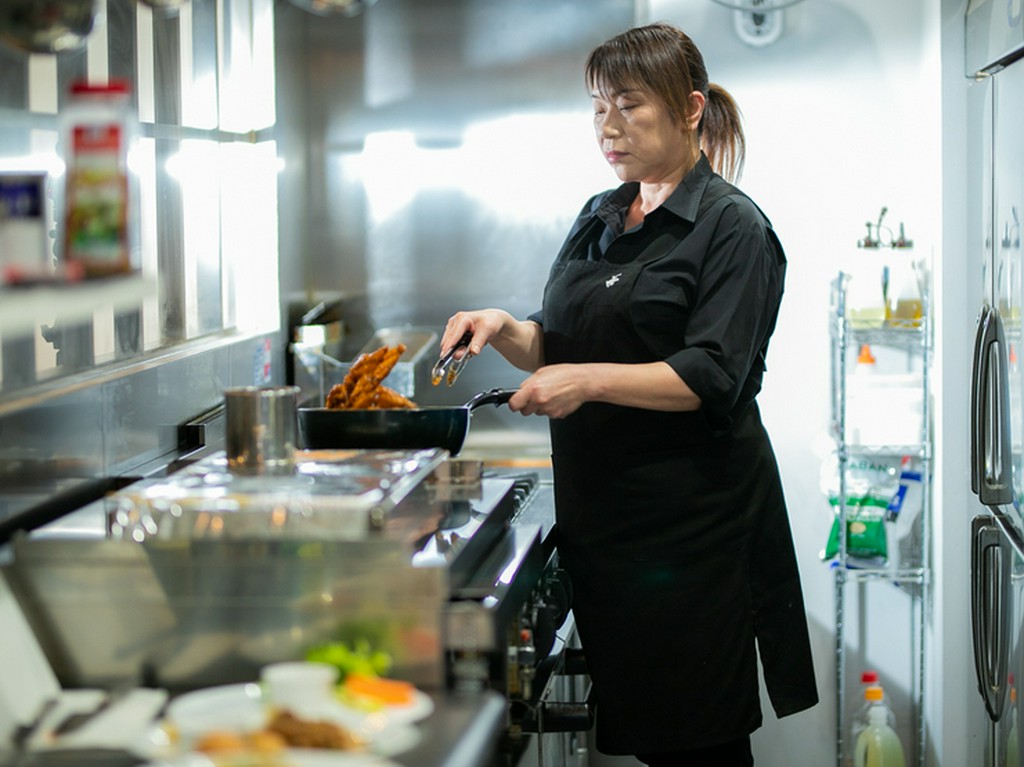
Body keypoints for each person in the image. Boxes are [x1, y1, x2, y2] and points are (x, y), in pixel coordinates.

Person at [438, 22, 818, 767]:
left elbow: (711, 375)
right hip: (609, 535)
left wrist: (584, 383)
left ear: (690, 109)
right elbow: (563, 339)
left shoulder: (733, 229)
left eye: (629, 105)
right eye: (597, 106)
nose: (607, 127)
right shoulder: (602, 215)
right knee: (654, 744)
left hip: (690, 541)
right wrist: (504, 328)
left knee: (700, 747)